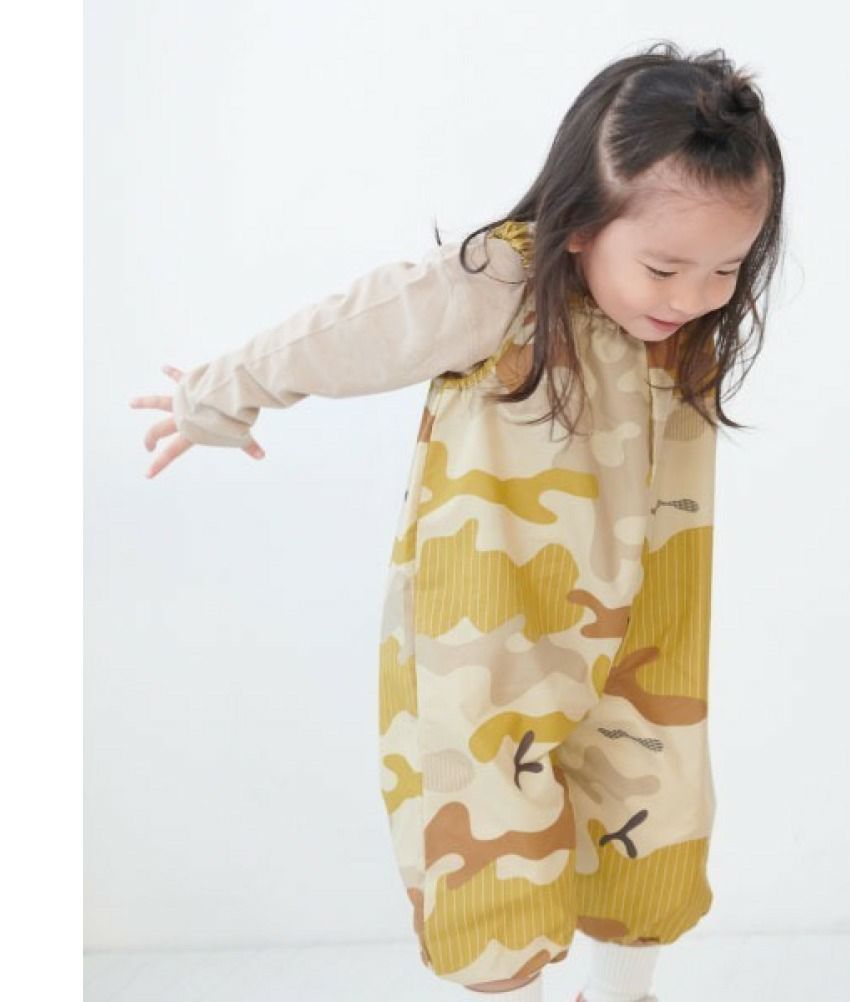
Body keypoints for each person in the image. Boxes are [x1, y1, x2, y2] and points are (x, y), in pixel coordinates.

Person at [130, 40, 785, 1002]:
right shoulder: (501, 287)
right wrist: (221, 392)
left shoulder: (680, 335)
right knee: (487, 832)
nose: (693, 298)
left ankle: (624, 991)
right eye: (664, 267)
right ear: (579, 224)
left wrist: (686, 285)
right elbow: (356, 325)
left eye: (726, 269)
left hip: (648, 619)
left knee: (655, 804)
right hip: (490, 629)